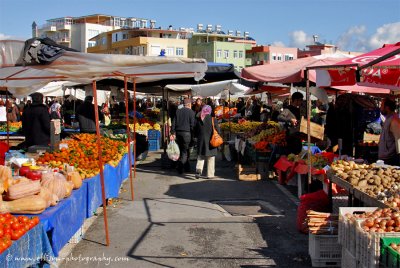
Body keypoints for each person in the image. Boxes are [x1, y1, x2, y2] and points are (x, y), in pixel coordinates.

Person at [194, 105, 220, 179]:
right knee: (211, 158)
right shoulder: (213, 119)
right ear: (210, 110)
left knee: (201, 156)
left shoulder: (199, 119)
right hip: (211, 141)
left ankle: (198, 170)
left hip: (201, 141)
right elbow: (218, 131)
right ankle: (210, 174)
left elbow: (195, 131)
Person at [170, 98, 195, 174]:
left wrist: (173, 133)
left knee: (182, 150)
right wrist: (193, 135)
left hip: (178, 133)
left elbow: (173, 123)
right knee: (184, 151)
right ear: (189, 104)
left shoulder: (178, 111)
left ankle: (187, 167)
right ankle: (180, 167)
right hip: (187, 134)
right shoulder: (191, 112)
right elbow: (192, 125)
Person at [378, 98, 400, 166]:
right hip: (385, 158)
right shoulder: (388, 118)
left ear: (387, 108)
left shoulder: (394, 120)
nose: (380, 108)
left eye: (381, 105)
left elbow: (399, 140)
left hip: (390, 160)